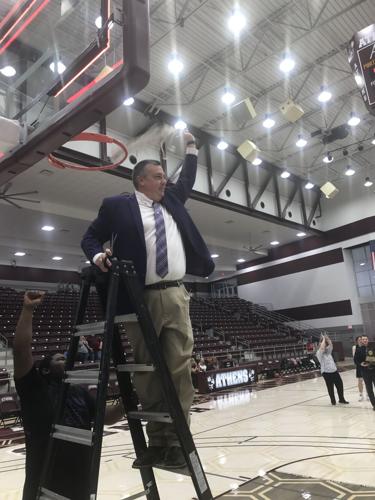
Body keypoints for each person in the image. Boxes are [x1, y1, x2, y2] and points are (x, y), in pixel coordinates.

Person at [81, 131, 214, 469]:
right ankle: (156, 442)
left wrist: (191, 147)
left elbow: (187, 177)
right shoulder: (117, 205)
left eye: (165, 177)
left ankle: (177, 442)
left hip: (176, 293)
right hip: (139, 298)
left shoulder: (171, 200)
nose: (164, 182)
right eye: (157, 177)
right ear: (141, 181)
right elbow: (90, 236)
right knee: (148, 374)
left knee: (179, 370)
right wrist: (97, 256)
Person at [13, 291, 124, 500]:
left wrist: (125, 403)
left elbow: (107, 418)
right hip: (44, 481)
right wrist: (28, 310)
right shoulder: (34, 390)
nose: (65, 360)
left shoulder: (78, 391)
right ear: (45, 370)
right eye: (58, 359)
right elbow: (20, 350)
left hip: (80, 476)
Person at [316, 334, 349, 406]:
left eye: (325, 344)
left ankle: (341, 399)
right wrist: (323, 340)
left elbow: (330, 344)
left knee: (340, 385)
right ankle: (333, 401)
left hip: (334, 371)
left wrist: (326, 338)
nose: (325, 345)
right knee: (330, 387)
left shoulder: (328, 352)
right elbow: (321, 348)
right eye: (323, 344)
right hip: (326, 373)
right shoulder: (319, 353)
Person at [354, 335, 375, 410]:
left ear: (368, 340)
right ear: (361, 341)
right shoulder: (358, 349)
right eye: (363, 339)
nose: (365, 340)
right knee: (369, 389)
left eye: (366, 339)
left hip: (374, 370)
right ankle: (374, 405)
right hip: (365, 372)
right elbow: (355, 360)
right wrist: (360, 364)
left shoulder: (373, 347)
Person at [352, 335, 366, 401]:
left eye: (361, 339)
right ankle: (361, 394)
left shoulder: (366, 347)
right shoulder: (355, 347)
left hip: (366, 365)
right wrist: (359, 364)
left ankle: (368, 394)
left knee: (368, 381)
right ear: (357, 341)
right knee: (360, 381)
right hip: (359, 366)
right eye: (359, 339)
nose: (360, 340)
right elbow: (354, 357)